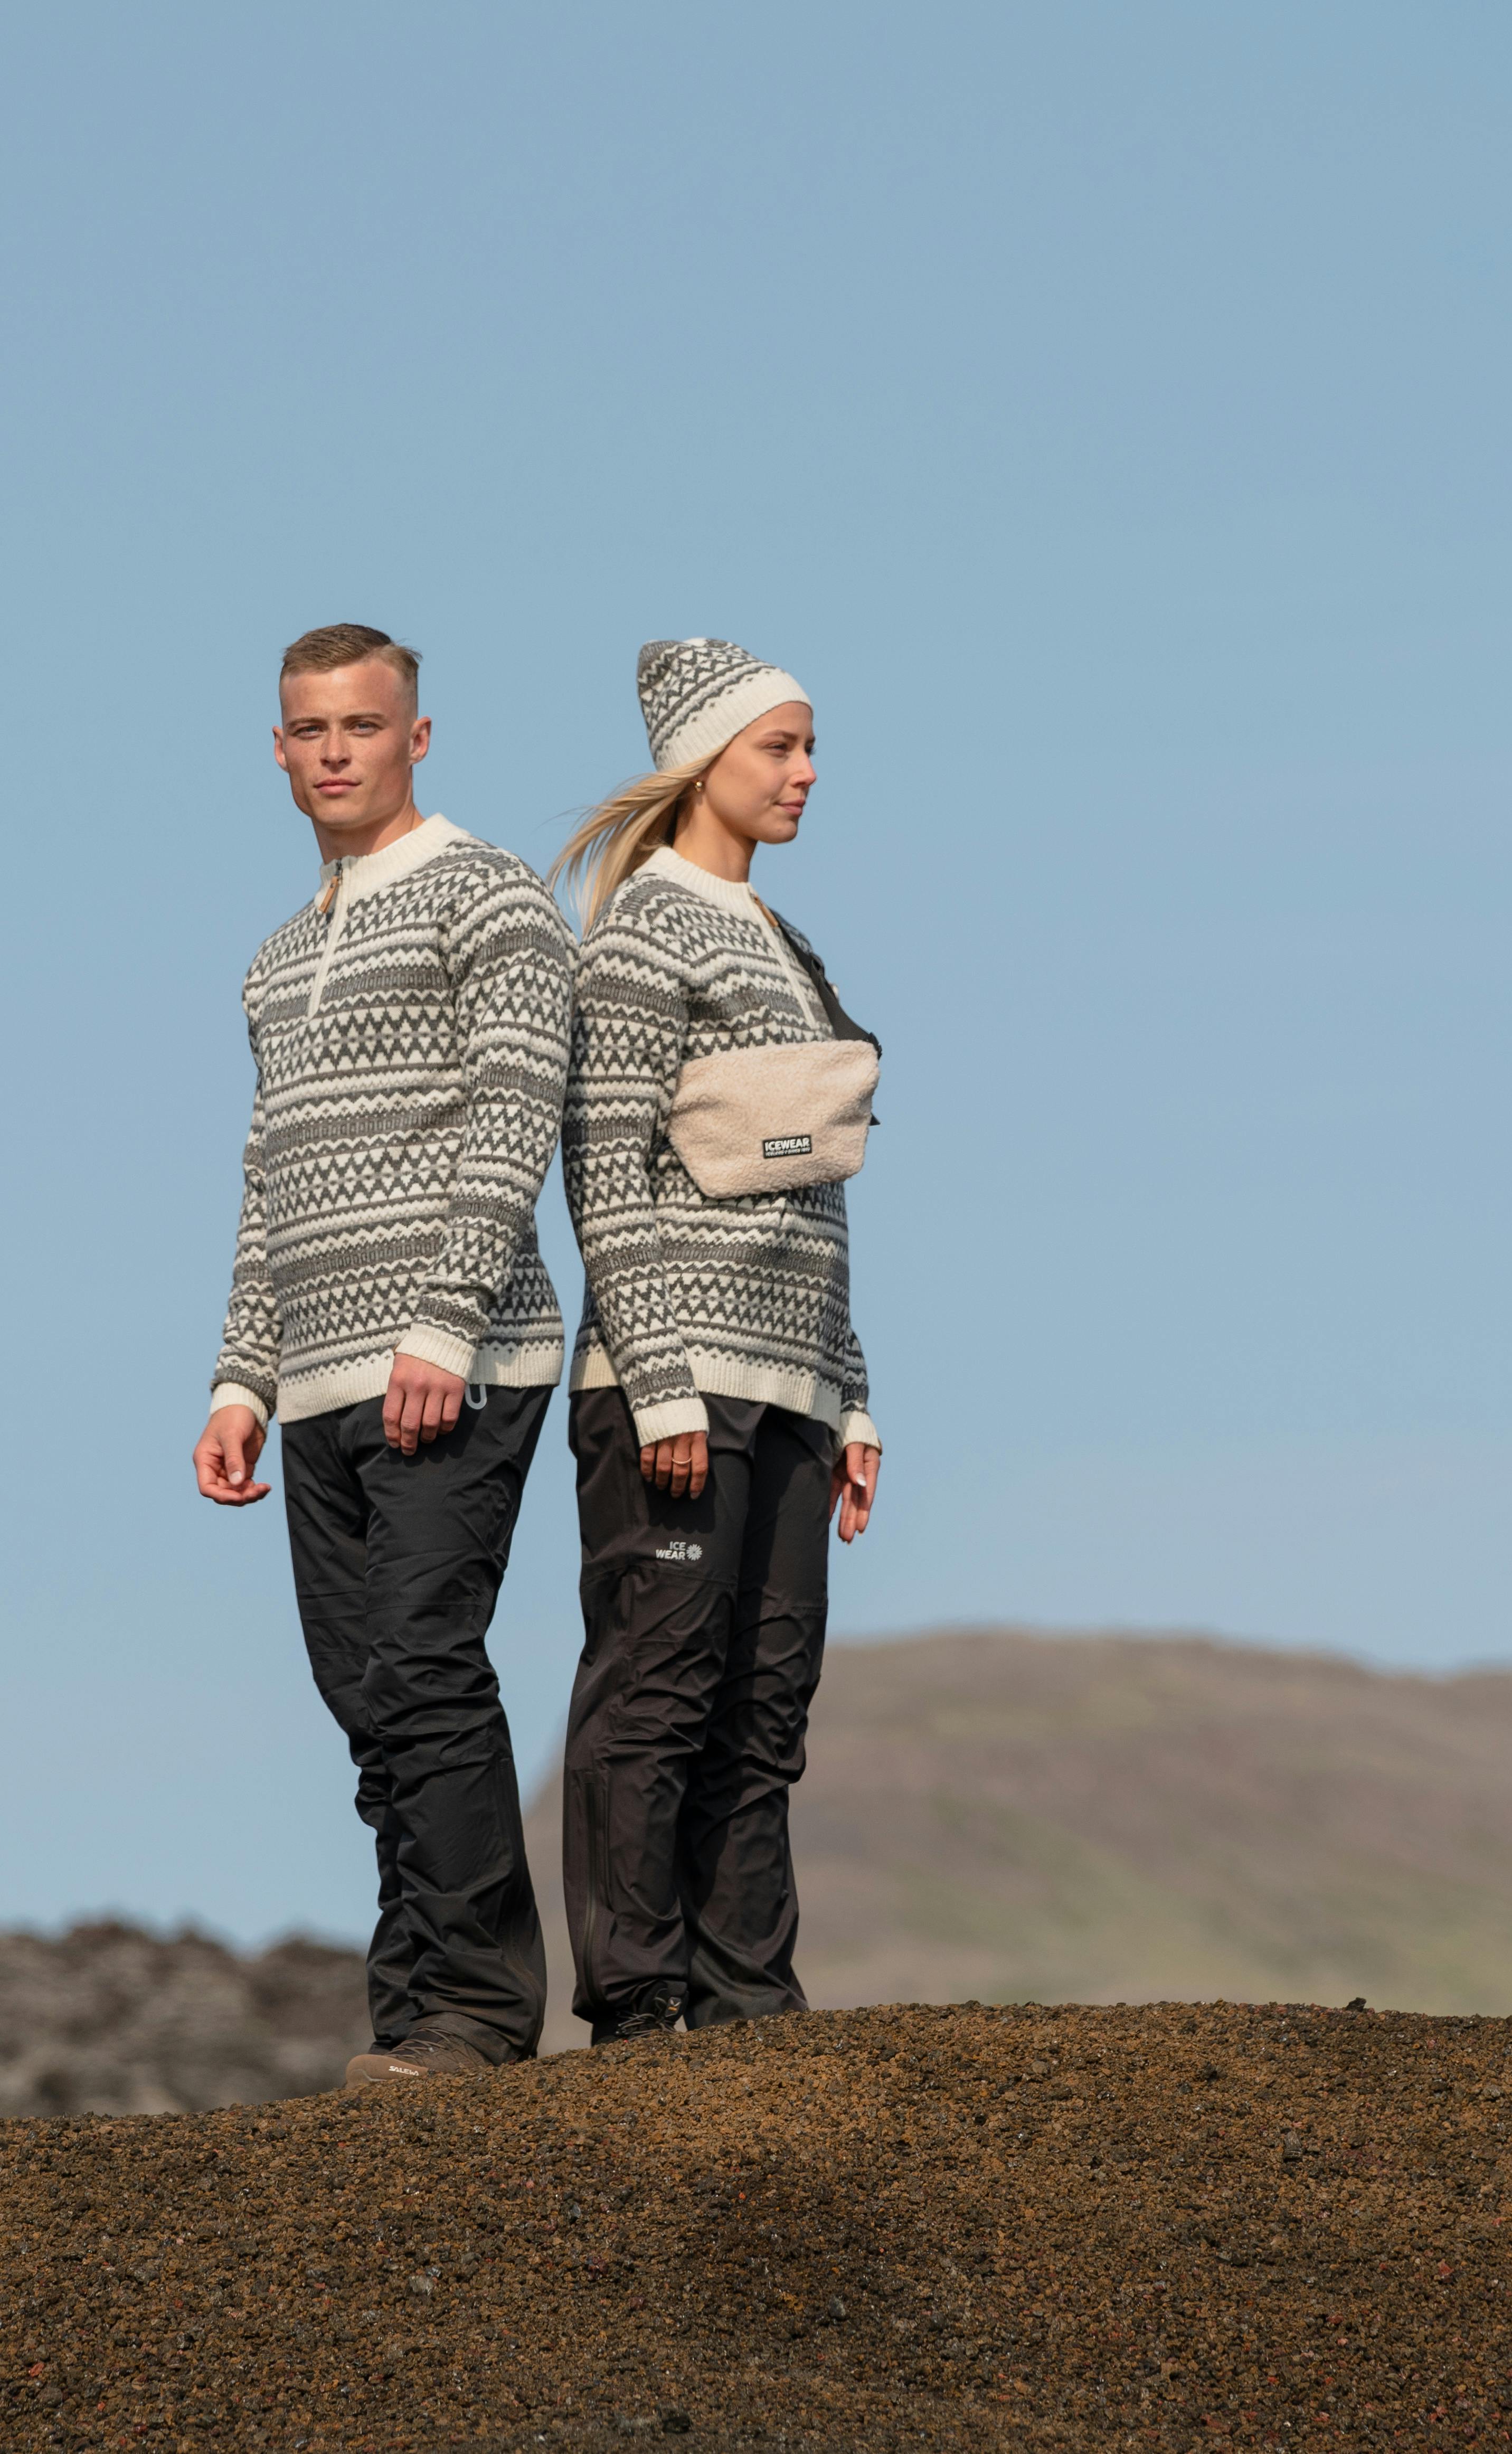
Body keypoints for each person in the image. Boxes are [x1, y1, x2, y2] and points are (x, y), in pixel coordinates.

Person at [192, 622, 573, 2085]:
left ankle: (479, 2011)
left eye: (363, 725)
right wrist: (243, 1376)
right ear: (279, 751)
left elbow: (518, 1107)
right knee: (365, 1698)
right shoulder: (277, 959)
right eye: (312, 729)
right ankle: (415, 2015)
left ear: (417, 737)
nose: (336, 751)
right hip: (316, 1378)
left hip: (455, 1359)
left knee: (424, 1664)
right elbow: (267, 1175)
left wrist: (444, 1318)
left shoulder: (490, 895)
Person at [549, 638, 885, 2043]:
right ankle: (637, 2007)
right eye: (778, 749)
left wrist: (851, 1396)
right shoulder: (642, 931)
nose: (805, 775)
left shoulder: (793, 950)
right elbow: (602, 1169)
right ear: (702, 763)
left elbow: (814, 1196)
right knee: (661, 1689)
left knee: (767, 1704)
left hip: (794, 1385)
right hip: (674, 1383)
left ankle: (753, 2009)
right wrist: (664, 1383)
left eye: (810, 750)